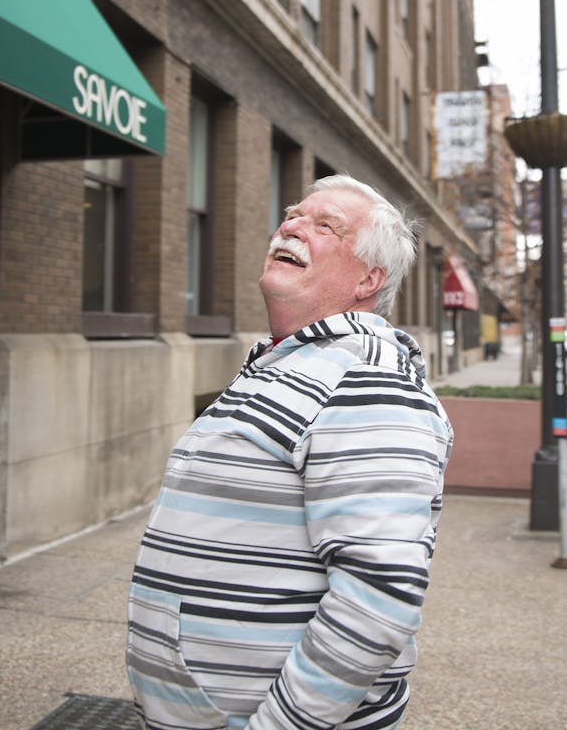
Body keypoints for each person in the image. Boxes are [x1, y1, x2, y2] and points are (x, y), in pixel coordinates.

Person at [126, 174, 454, 730]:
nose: (293, 225)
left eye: (326, 225)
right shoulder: (284, 364)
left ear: (368, 279)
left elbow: (377, 596)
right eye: (294, 214)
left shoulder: (368, 380)